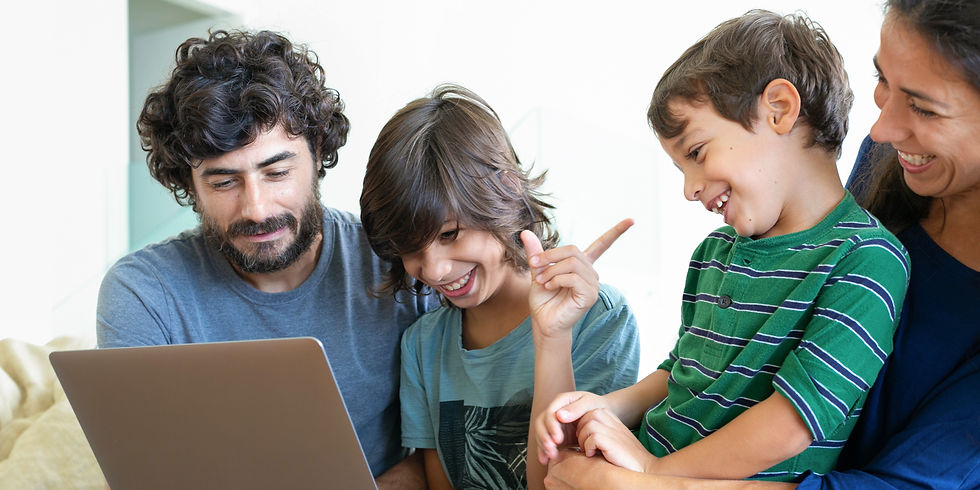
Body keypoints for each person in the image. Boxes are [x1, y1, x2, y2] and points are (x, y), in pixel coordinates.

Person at [533, 10, 911, 484]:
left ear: (779, 109)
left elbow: (793, 424)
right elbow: (680, 370)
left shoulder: (867, 259)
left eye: (696, 153)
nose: (689, 189)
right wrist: (606, 407)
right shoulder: (713, 253)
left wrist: (654, 474)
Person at [96, 30, 438, 488]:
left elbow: (445, 454)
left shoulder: (398, 262)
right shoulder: (144, 294)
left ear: (318, 154)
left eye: (276, 172)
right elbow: (143, 470)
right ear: (188, 185)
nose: (256, 209)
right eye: (223, 183)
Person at [359, 84, 641, 490]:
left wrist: (552, 338)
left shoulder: (600, 317)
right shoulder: (423, 343)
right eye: (409, 247)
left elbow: (566, 480)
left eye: (449, 234)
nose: (434, 270)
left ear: (506, 190)